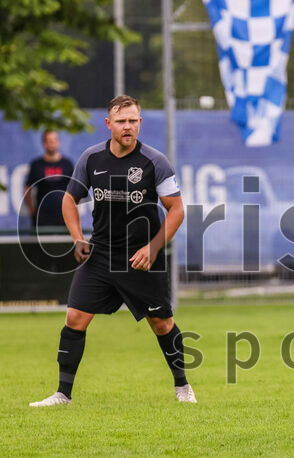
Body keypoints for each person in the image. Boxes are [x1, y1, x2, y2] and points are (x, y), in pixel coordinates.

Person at [30, 95, 194, 406]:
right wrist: (78, 238)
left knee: (162, 324)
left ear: (140, 123)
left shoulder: (155, 161)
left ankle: (183, 388)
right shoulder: (92, 159)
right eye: (121, 121)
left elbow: (176, 210)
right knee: (75, 317)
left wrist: (153, 247)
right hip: (101, 254)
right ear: (109, 124)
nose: (128, 126)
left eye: (133, 120)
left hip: (141, 257)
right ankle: (63, 394)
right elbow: (69, 200)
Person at [24, 130, 75, 231]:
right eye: (49, 141)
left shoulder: (67, 164)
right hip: (42, 216)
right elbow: (27, 188)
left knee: (64, 246)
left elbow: (75, 188)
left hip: (64, 216)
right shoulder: (36, 165)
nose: (52, 143)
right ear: (44, 143)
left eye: (54, 140)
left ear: (58, 142)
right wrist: (32, 210)